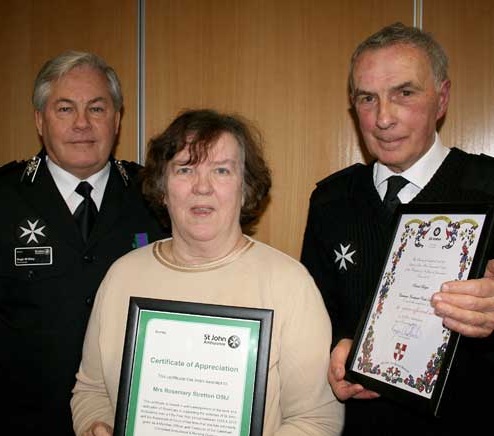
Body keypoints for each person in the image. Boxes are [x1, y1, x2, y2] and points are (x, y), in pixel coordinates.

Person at [70, 109, 344, 436]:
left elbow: (316, 421)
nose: (202, 187)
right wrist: (94, 425)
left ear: (245, 188)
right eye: (185, 169)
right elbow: (91, 390)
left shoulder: (290, 285)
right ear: (161, 187)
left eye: (221, 170)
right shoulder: (122, 276)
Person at [301, 22, 494, 435]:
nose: (383, 118)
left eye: (404, 94)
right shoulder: (330, 201)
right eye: (367, 98)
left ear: (441, 99)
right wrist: (334, 351)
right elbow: (315, 317)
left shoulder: (491, 187)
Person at [0, 51, 167, 435]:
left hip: (130, 418)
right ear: (40, 120)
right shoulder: (0, 198)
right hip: (21, 419)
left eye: (97, 109)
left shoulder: (156, 196)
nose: (82, 124)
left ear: (118, 119)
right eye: (65, 109)